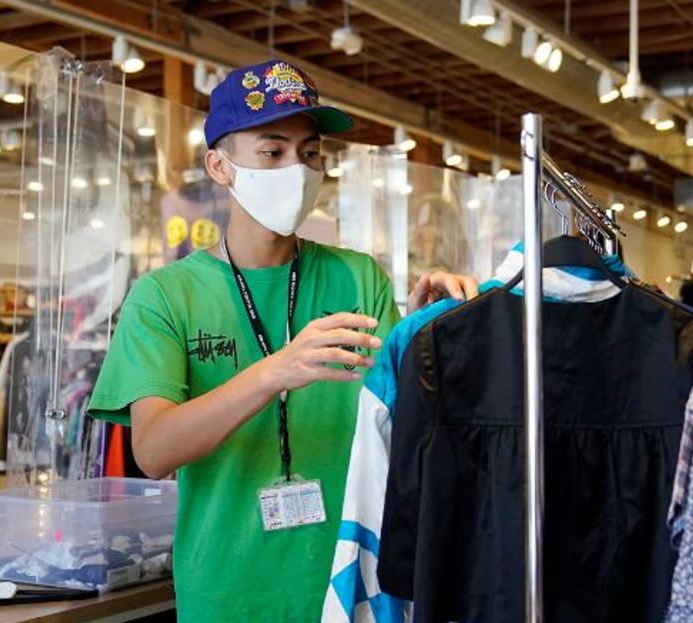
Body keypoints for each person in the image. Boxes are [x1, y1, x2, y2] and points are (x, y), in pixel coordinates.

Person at [86, 59, 479, 623]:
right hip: (229, 591)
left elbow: (398, 417)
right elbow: (153, 451)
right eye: (273, 152)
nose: (297, 168)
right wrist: (275, 371)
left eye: (310, 152)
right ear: (219, 166)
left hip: (351, 581)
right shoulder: (164, 297)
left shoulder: (357, 277)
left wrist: (422, 331)